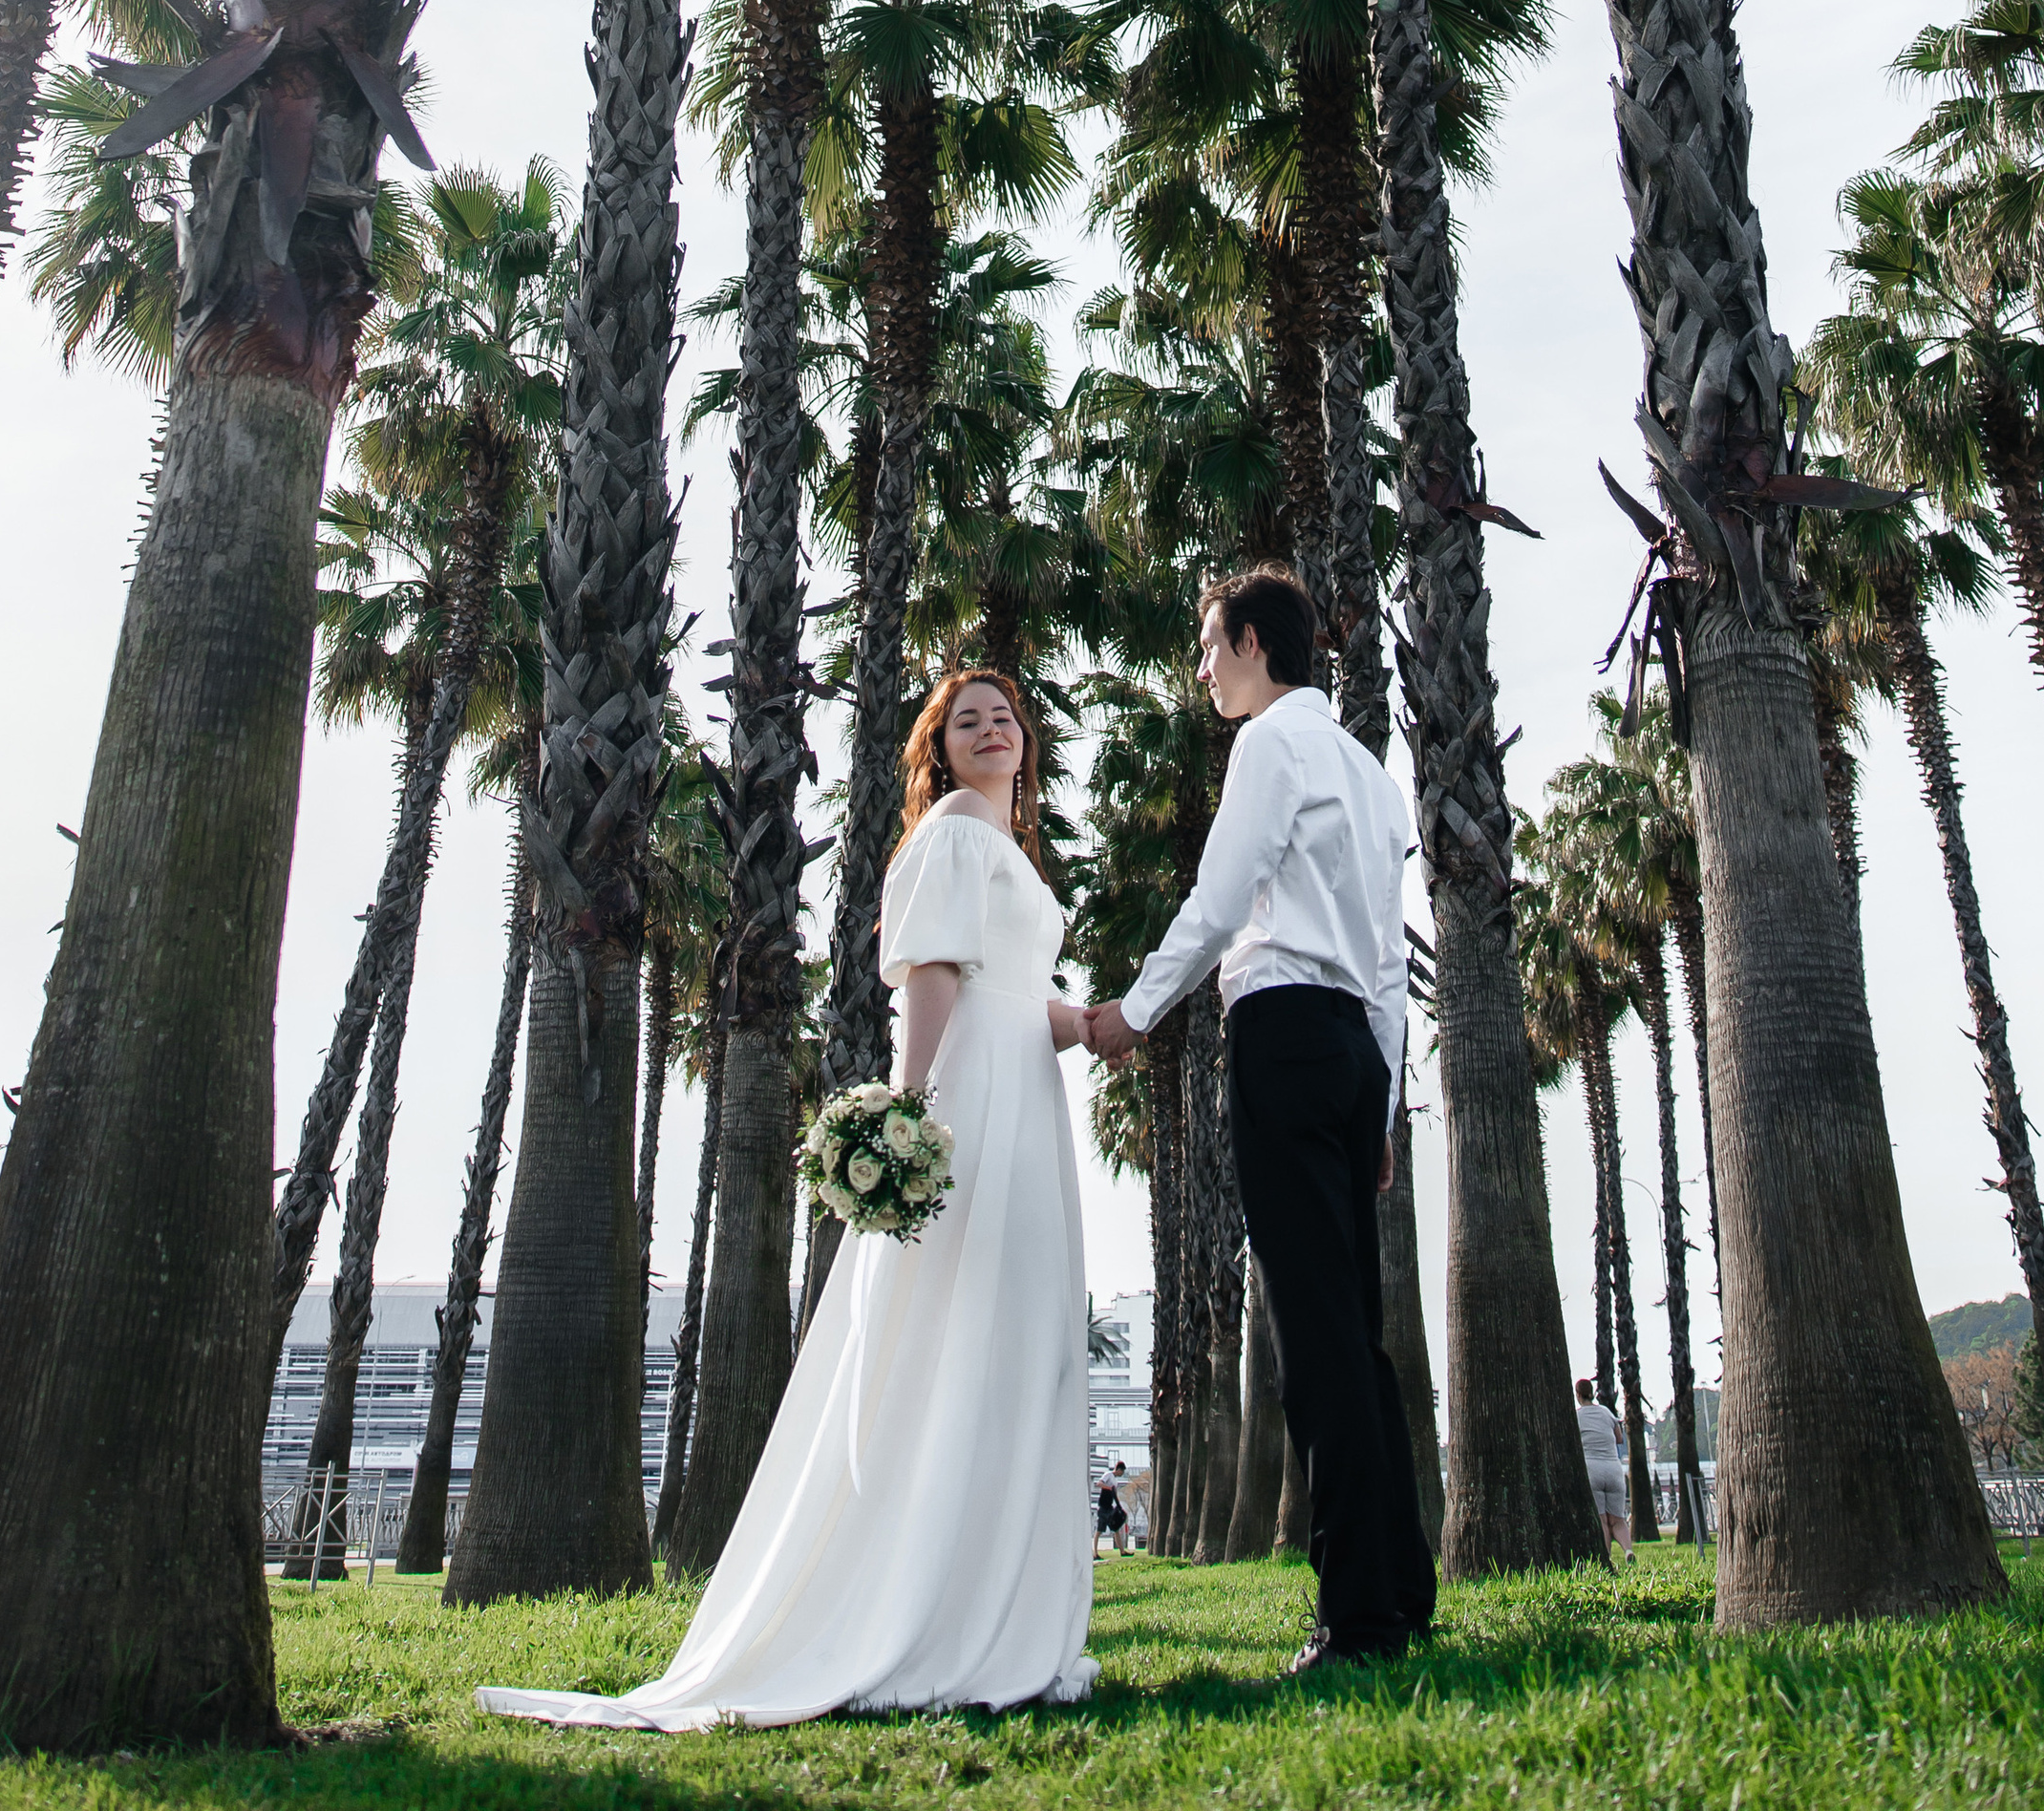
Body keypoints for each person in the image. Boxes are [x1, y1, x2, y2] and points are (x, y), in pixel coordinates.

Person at [479, 671, 1096, 1729]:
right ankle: (927, 1617)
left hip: (1026, 1093)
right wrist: (912, 1116)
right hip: (976, 1097)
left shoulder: (1006, 850)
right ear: (938, 753)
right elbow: (937, 980)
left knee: (1013, 1337)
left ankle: (991, 1605)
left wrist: (1088, 1025)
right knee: (955, 1334)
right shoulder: (951, 829)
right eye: (966, 721)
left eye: (1005, 715)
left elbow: (1014, 993)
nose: (992, 729)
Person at [1082, 565, 1435, 1673]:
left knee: (1313, 1335)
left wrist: (1131, 1013)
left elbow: (1222, 897)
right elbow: (1388, 961)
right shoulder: (1372, 776)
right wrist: (1379, 1098)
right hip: (1349, 1052)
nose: (1199, 669)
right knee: (1356, 1333)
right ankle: (1400, 1593)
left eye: (1206, 644)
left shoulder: (1269, 744)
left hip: (1281, 1035)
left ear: (1248, 640)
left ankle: (1357, 1620)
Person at [1575, 1378, 1630, 1559]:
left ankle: (1606, 1559)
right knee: (1618, 1519)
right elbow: (1619, 1438)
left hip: (1592, 1469)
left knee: (1603, 1521)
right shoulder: (1606, 1413)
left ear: (1577, 1394)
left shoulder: (1577, 1416)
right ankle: (1628, 1550)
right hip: (1613, 1468)